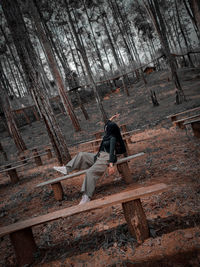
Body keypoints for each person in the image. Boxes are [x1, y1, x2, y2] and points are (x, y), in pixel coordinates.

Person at [53, 114, 126, 204]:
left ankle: (87, 196)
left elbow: (111, 152)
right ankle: (66, 169)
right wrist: (112, 118)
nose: (105, 129)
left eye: (107, 129)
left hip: (106, 159)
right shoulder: (108, 134)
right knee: (82, 155)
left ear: (111, 130)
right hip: (98, 156)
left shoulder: (113, 138)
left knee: (90, 172)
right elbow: (108, 123)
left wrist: (111, 165)